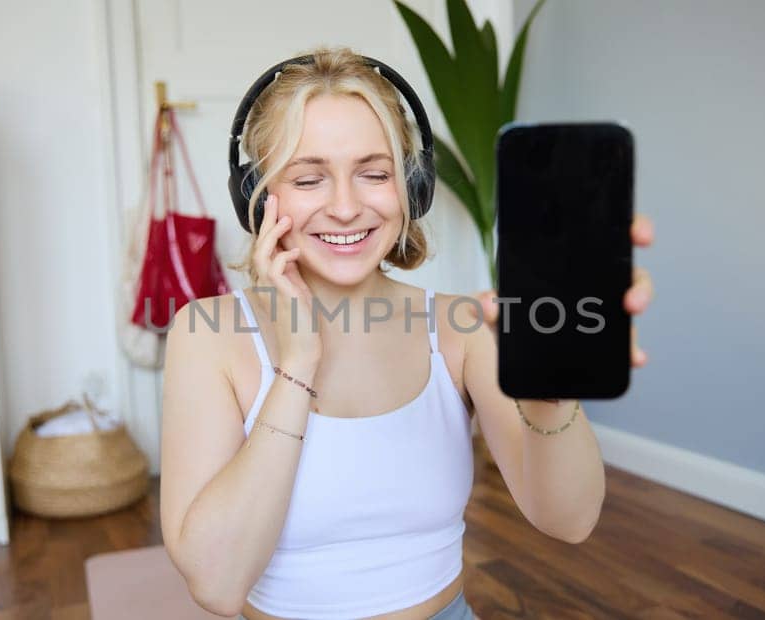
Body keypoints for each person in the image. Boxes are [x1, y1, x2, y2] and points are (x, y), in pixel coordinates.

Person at [158, 46, 656, 620]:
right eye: (309, 178)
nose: (345, 207)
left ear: (412, 188)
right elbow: (217, 585)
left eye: (375, 173)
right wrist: (297, 362)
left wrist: (553, 391)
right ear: (257, 196)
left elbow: (569, 521)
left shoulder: (462, 329)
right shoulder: (207, 334)